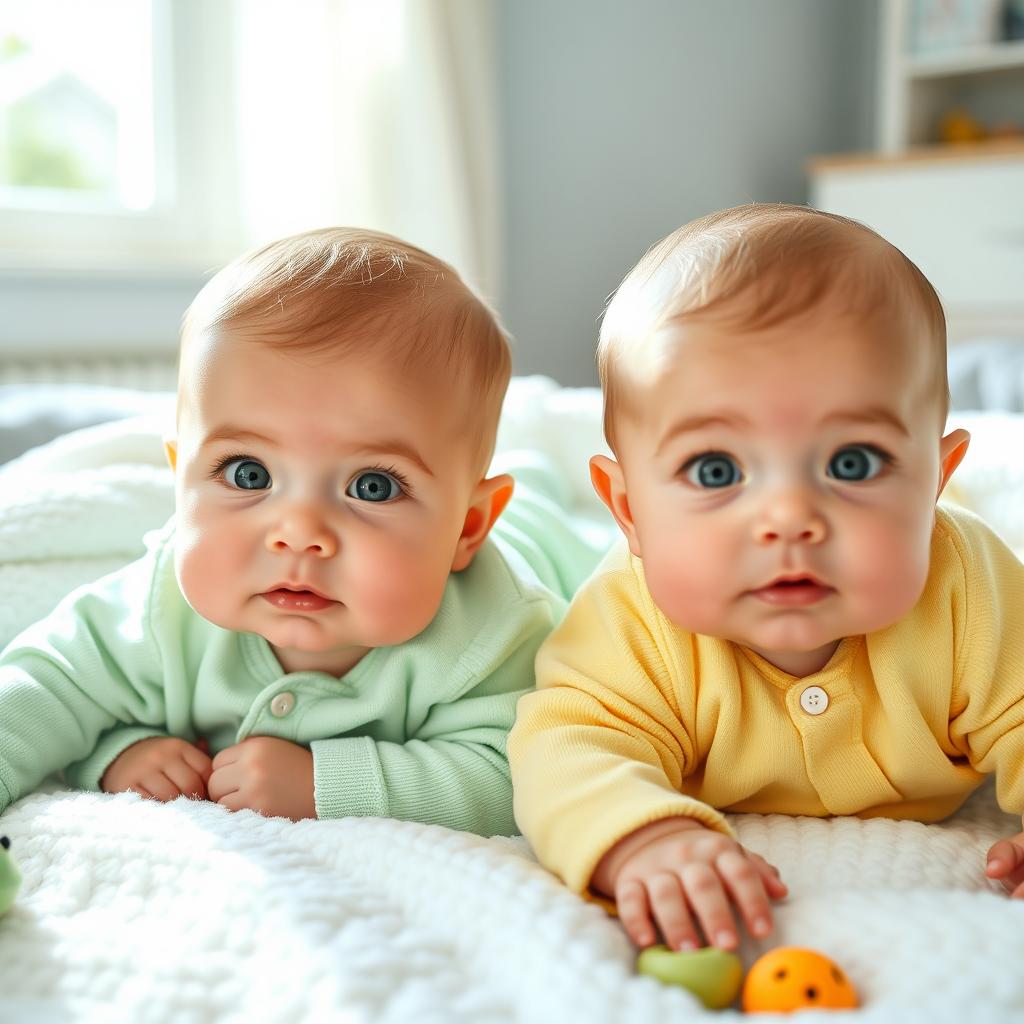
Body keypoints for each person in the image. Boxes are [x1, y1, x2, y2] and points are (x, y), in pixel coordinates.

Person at [508, 203, 1024, 953]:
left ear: (936, 482)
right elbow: (566, 743)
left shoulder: (971, 588)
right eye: (716, 470)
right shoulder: (631, 616)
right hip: (585, 557)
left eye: (852, 463)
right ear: (629, 509)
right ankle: (536, 488)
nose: (788, 518)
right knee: (537, 551)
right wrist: (642, 836)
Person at [0, 227, 600, 835]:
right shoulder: (156, 611)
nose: (299, 533)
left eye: (373, 486)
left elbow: (522, 774)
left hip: (545, 545)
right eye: (248, 472)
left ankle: (536, 475)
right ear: (180, 481)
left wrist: (327, 784)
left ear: (467, 528)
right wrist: (114, 751)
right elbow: (41, 692)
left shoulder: (495, 638)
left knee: (570, 527)